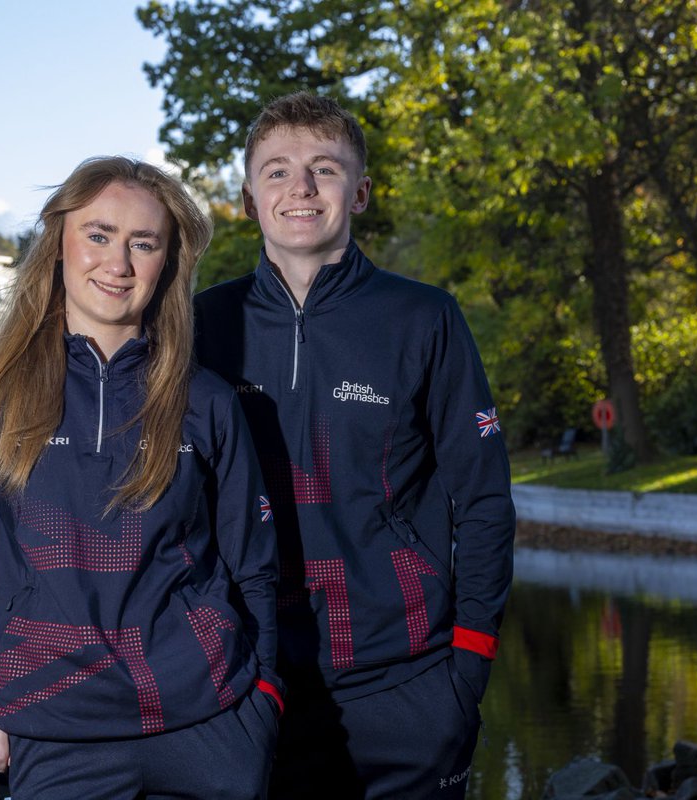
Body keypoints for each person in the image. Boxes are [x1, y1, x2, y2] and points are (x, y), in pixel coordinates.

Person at [0, 156, 284, 799]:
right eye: (99, 235)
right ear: (58, 243)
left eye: (143, 244)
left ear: (166, 264)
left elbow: (253, 565)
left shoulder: (206, 400)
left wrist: (264, 698)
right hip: (54, 735)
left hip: (210, 729)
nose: (118, 264)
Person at [193, 92, 516, 798]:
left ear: (361, 191)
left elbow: (485, 501)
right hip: (253, 686)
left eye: (324, 170)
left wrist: (468, 668)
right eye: (276, 171)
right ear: (248, 201)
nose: (300, 188)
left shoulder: (424, 318)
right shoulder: (201, 326)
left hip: (408, 682)